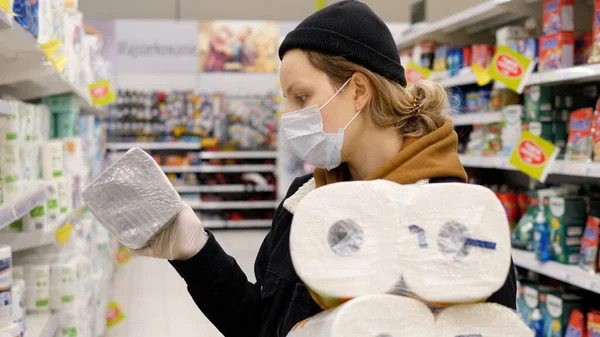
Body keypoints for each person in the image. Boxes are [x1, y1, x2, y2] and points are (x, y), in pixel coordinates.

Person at [136, 2, 517, 337]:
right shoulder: (305, 202)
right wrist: (196, 252)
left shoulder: (458, 220)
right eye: (287, 100)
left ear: (358, 91)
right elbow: (260, 325)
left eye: (301, 97)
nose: (290, 116)